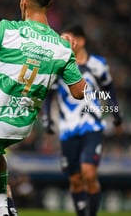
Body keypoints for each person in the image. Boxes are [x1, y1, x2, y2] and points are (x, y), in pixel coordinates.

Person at [0, 0, 87, 216]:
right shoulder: (61, 47)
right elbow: (80, 93)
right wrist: (73, 54)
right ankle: (4, 207)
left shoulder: (7, 30)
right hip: (23, 126)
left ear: (23, 2)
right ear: (50, 4)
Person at [41, 24, 123, 216]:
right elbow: (49, 95)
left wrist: (116, 114)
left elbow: (108, 89)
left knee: (88, 172)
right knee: (75, 179)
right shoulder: (58, 65)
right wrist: (47, 118)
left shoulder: (98, 64)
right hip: (68, 129)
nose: (64, 42)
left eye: (68, 38)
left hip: (92, 126)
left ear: (81, 40)